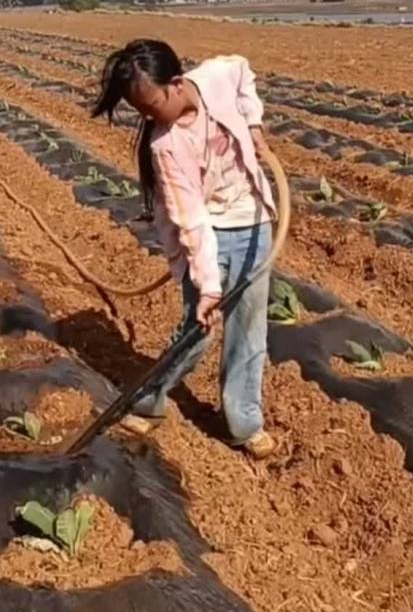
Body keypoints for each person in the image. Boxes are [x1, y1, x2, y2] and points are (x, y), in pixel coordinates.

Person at [92, 40, 277, 459]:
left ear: (176, 84)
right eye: (140, 110)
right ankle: (150, 400)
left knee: (249, 331)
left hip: (254, 223)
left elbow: (243, 68)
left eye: (151, 105)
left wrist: (253, 123)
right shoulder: (166, 145)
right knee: (198, 329)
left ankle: (244, 423)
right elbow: (191, 219)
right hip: (210, 233)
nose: (147, 117)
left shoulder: (214, 78)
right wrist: (208, 285)